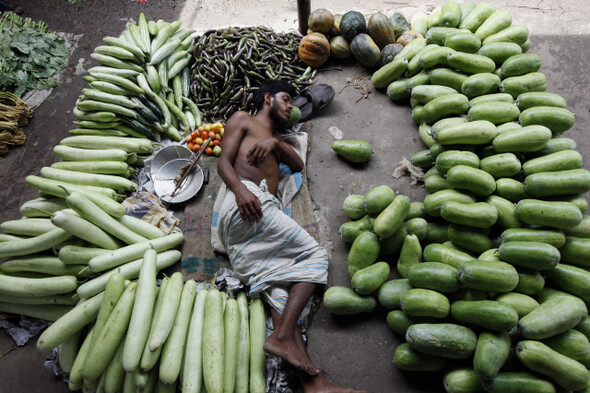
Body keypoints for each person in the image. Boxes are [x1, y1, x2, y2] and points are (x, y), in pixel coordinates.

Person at [213, 80, 365, 393]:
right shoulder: (243, 119)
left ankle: (314, 385)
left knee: (281, 295)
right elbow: (222, 162)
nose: (290, 106)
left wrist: (275, 144)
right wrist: (240, 190)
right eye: (285, 99)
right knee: (315, 256)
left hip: (248, 229)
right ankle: (281, 337)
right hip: (246, 201)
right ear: (267, 98)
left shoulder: (278, 137)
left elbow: (297, 163)